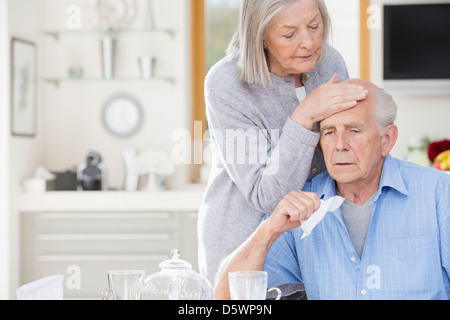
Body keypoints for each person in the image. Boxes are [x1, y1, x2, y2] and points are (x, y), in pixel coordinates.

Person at [214, 79, 450, 300]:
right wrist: (268, 232)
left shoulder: (439, 193)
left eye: (354, 131)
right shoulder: (299, 208)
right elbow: (225, 299)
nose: (339, 145)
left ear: (386, 139)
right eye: (329, 132)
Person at [198, 0, 369, 284]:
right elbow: (265, 196)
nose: (309, 43)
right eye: (289, 34)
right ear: (260, 35)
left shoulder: (330, 63)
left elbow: (344, 148)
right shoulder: (227, 82)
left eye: (315, 26)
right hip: (246, 240)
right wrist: (304, 116)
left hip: (315, 236)